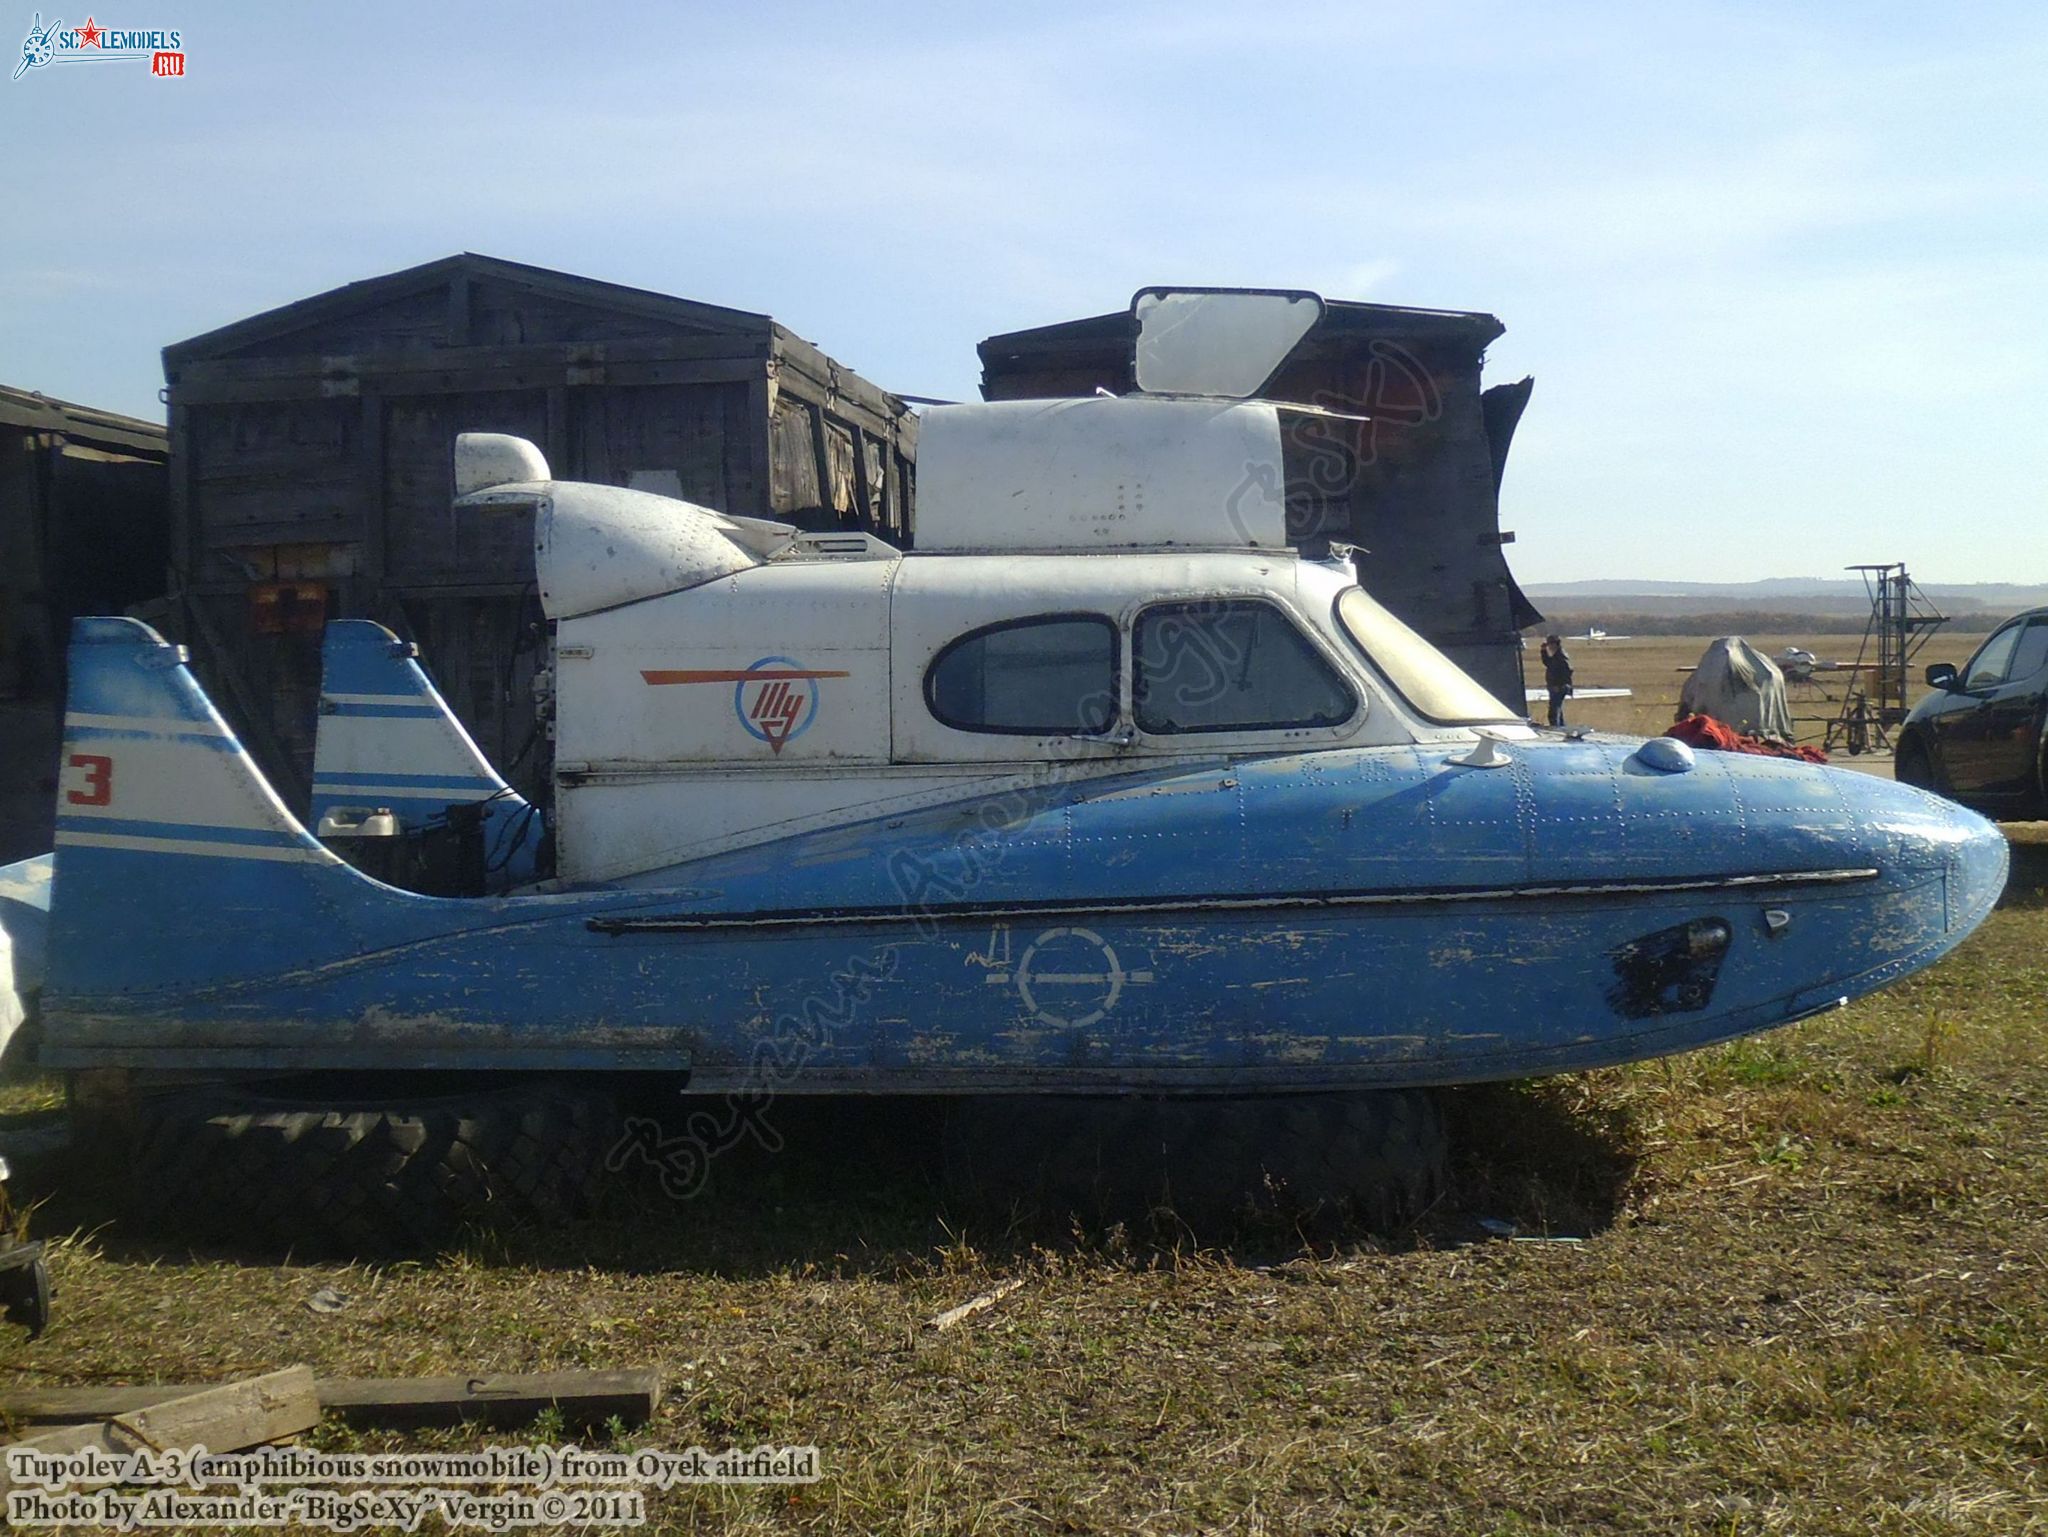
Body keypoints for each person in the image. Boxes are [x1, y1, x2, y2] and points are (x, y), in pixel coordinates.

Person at [1539, 634, 1574, 727]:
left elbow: (1568, 671)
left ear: (1555, 644)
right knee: (1557, 710)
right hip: (1555, 687)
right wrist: (1543, 651)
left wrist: (1559, 685)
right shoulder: (1556, 655)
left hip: (1559, 687)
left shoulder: (1561, 656)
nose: (1549, 646)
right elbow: (1547, 663)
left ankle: (1556, 728)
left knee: (1554, 711)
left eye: (1550, 644)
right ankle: (1561, 727)